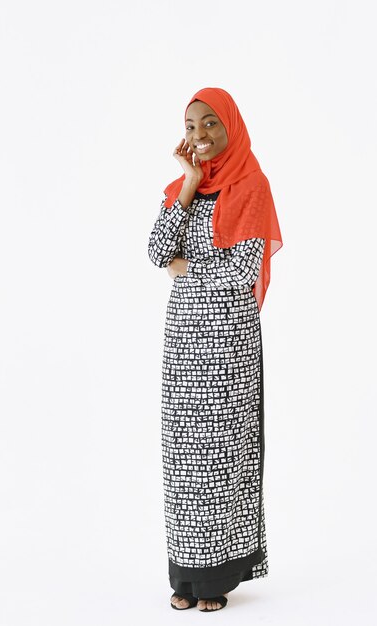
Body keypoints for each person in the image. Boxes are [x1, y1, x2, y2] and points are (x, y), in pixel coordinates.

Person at [148, 87, 283, 612]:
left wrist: (187, 272)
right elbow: (159, 252)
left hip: (229, 350)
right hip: (183, 348)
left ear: (232, 127)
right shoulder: (184, 189)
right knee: (183, 464)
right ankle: (184, 577)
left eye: (210, 124)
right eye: (190, 126)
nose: (199, 136)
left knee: (222, 460)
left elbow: (240, 276)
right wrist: (188, 184)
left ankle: (218, 580)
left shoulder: (252, 186)